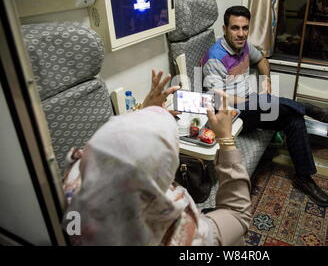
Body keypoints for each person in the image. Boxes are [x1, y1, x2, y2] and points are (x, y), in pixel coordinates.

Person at [62, 70, 251, 246]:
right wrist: (226, 141)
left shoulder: (73, 182)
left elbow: (120, 149)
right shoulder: (184, 235)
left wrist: (145, 112)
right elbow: (238, 214)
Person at [201, 6, 328, 207]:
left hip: (253, 106)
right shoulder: (215, 58)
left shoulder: (245, 46)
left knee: (293, 119)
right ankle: (306, 107)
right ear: (224, 29)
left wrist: (267, 82)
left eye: (245, 28)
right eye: (235, 28)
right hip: (231, 115)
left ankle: (304, 177)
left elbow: (263, 61)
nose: (241, 34)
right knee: (264, 103)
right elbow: (218, 98)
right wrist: (252, 101)